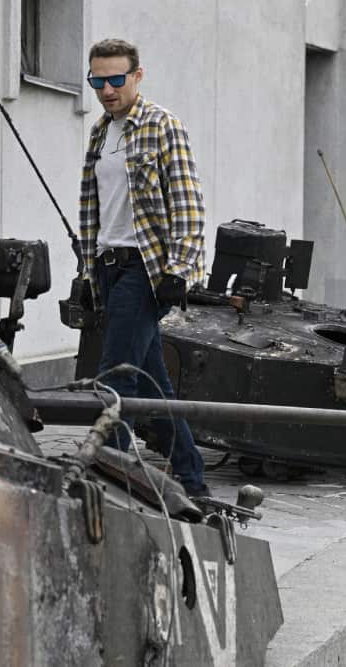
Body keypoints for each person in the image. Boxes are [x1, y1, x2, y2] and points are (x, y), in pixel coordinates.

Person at [77, 38, 209, 497]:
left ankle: (116, 486)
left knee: (116, 378)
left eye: (116, 79)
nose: (107, 89)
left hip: (144, 267)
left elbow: (188, 204)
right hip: (108, 266)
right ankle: (193, 483)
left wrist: (181, 269)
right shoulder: (99, 132)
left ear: (137, 75)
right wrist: (87, 270)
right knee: (154, 388)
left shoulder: (161, 125)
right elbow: (98, 208)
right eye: (98, 80)